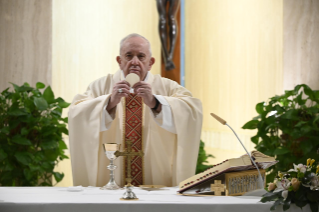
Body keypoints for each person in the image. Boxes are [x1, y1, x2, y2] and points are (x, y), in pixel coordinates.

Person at [68, 33, 202, 187]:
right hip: (110, 181)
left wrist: (156, 103)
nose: (135, 62)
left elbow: (192, 111)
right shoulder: (100, 86)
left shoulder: (167, 87)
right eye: (129, 56)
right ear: (119, 61)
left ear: (150, 62)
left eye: (141, 56)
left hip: (157, 179)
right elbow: (76, 114)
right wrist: (109, 103)